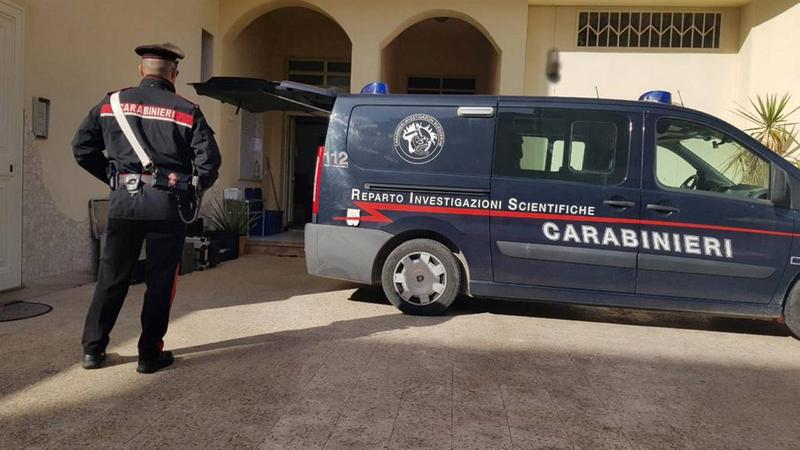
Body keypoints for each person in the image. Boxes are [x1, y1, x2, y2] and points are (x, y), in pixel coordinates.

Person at [72, 43, 221, 374]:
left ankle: (93, 350)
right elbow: (209, 163)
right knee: (160, 282)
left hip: (124, 204)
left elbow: (81, 148)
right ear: (174, 73)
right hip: (167, 208)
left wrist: (115, 177)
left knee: (111, 278)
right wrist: (191, 191)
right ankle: (148, 354)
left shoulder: (111, 103)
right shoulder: (186, 109)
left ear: (142, 70)